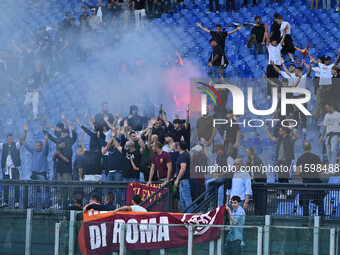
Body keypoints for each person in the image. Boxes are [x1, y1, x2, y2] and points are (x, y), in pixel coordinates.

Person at [265, 123, 299, 194]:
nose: (279, 132)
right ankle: (283, 192)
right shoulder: (279, 139)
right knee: (280, 177)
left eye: (280, 131)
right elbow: (272, 139)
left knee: (285, 176)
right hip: (279, 161)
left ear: (284, 131)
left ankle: (287, 190)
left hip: (286, 161)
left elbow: (296, 137)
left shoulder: (289, 138)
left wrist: (292, 129)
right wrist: (267, 130)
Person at [309, 49, 340, 118]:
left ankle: (324, 115)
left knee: (326, 102)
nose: (326, 61)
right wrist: (307, 52)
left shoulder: (332, 66)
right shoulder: (321, 65)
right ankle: (320, 113)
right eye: (325, 60)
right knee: (319, 101)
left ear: (330, 60)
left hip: (329, 87)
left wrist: (339, 54)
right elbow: (314, 61)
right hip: (322, 86)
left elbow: (337, 61)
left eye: (327, 60)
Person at [296, 141, 325, 216]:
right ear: (311, 147)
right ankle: (321, 219)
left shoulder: (300, 158)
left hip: (306, 183)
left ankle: (306, 220)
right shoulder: (316, 157)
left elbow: (298, 173)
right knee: (320, 201)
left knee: (305, 202)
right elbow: (321, 169)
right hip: (316, 182)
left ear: (303, 148)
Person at [0, 132, 24, 208]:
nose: (11, 140)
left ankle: (16, 202)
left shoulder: (15, 145)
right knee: (6, 186)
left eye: (12, 138)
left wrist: (23, 136)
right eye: (9, 138)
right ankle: (5, 202)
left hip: (14, 169)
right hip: (6, 170)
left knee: (16, 186)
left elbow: (20, 142)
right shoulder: (3, 146)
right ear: (7, 138)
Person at [265, 23, 287, 97]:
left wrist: (284, 32)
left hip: (277, 66)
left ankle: (276, 93)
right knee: (269, 80)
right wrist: (266, 30)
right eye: (273, 41)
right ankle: (268, 94)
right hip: (270, 65)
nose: (275, 42)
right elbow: (267, 38)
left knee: (276, 80)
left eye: (275, 41)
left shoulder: (278, 47)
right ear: (271, 42)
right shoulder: (269, 47)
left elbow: (283, 38)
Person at [246, 147, 266, 215]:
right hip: (254, 184)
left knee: (259, 200)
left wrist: (253, 178)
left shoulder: (258, 160)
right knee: (255, 200)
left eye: (246, 152)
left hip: (259, 183)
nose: (246, 154)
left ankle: (260, 215)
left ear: (249, 153)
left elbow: (261, 173)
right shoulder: (249, 161)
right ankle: (256, 214)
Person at [319, 102, 340, 170]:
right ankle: (331, 166)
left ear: (332, 106)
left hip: (335, 134)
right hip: (328, 135)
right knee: (328, 151)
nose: (327, 109)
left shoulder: (338, 115)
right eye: (326, 108)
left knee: (333, 149)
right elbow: (325, 127)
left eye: (328, 107)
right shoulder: (326, 116)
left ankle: (334, 166)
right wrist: (322, 137)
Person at [174, 141, 192, 212]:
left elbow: (183, 168)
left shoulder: (183, 155)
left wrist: (177, 179)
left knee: (186, 198)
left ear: (179, 147)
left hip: (184, 180)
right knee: (183, 199)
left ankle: (189, 215)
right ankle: (185, 215)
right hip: (183, 180)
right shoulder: (186, 154)